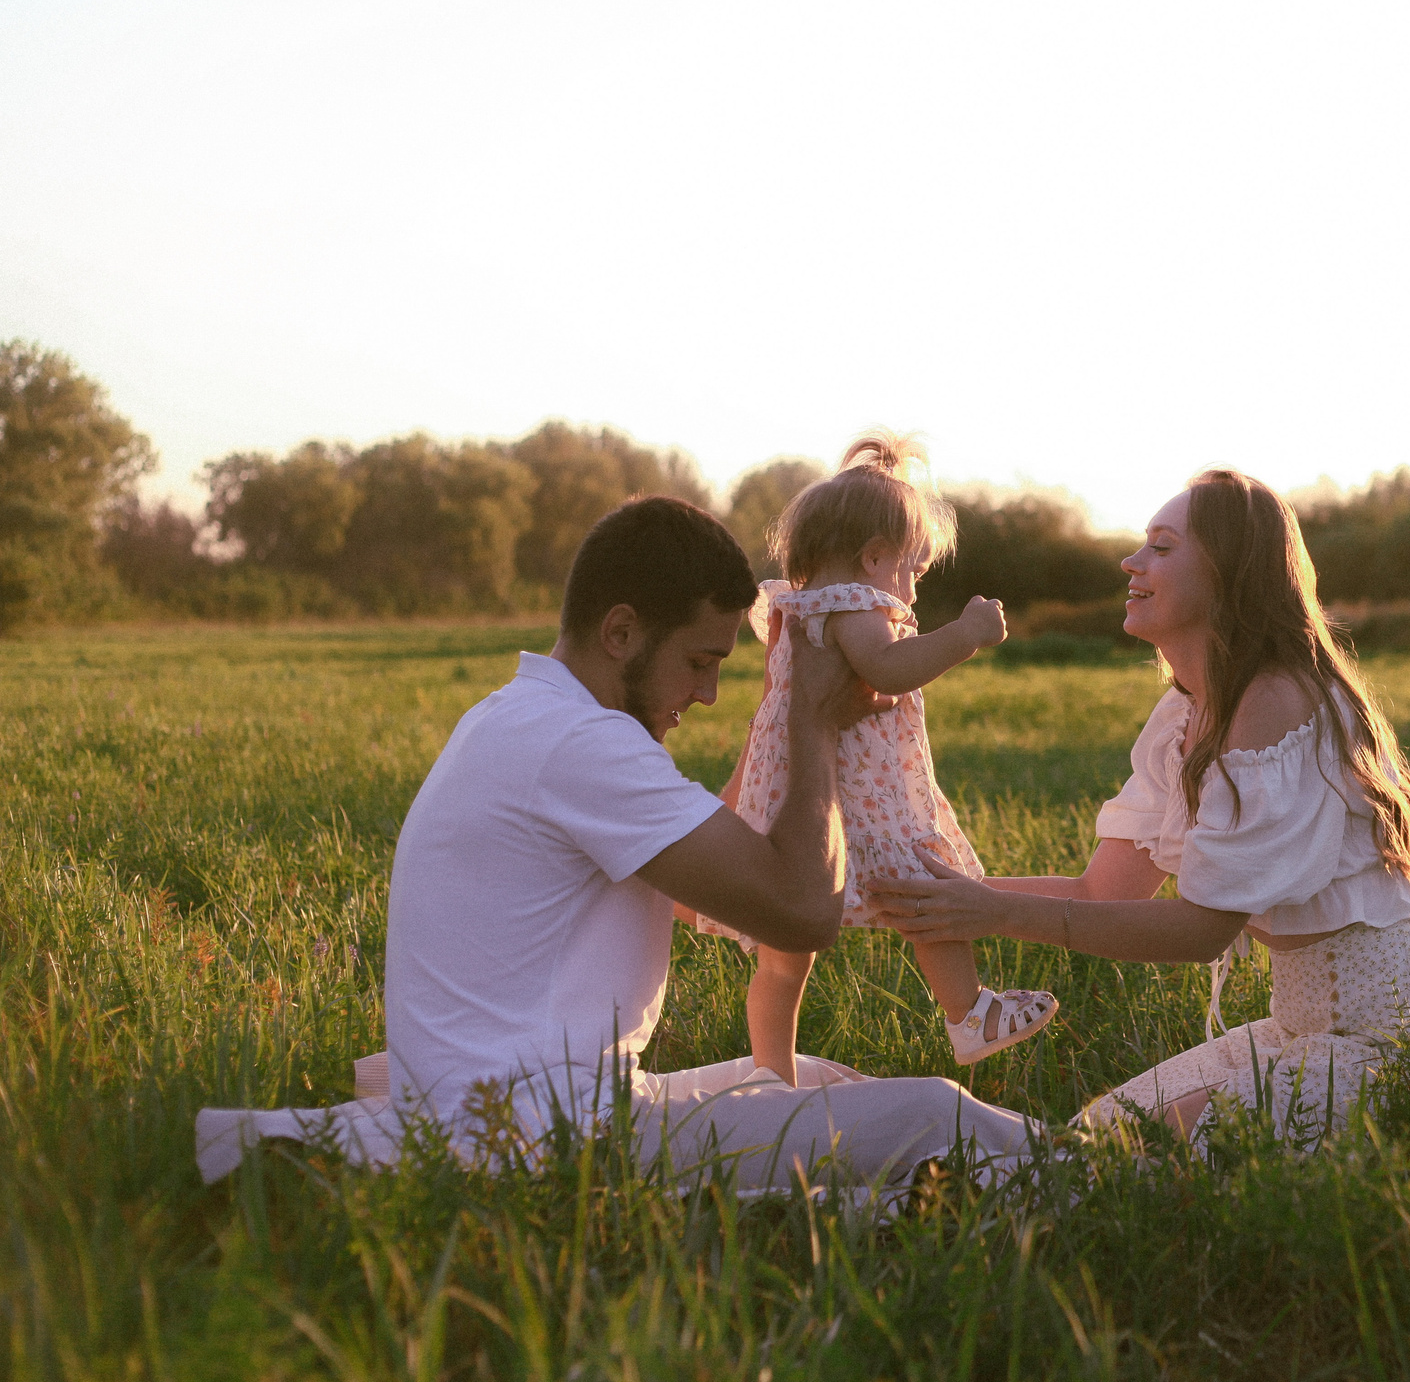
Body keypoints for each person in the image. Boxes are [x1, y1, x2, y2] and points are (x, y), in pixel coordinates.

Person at [195, 496, 1040, 1195]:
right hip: (542, 1133)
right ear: (622, 632)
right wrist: (811, 727)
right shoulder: (581, 746)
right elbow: (802, 911)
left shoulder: (523, 715)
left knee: (810, 1073)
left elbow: (723, 855)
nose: (709, 693)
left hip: (539, 1096)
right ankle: (1117, 1164)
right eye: (700, 661)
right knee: (936, 1112)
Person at [869, 469, 1410, 1144]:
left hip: (1407, 1034)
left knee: (1133, 1154)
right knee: (1095, 1135)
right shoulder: (1184, 713)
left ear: (1228, 573)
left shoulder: (1275, 702)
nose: (1131, 561)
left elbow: (1203, 930)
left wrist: (993, 911)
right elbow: (1101, 891)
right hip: (1304, 1025)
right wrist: (940, 898)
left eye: (1163, 547)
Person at [697, 431, 1056, 1081]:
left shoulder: (802, 608)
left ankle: (769, 1073)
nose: (912, 592)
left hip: (798, 797)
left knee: (784, 955)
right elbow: (888, 670)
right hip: (862, 796)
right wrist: (965, 635)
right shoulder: (856, 605)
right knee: (925, 889)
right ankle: (967, 1011)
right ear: (873, 558)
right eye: (912, 571)